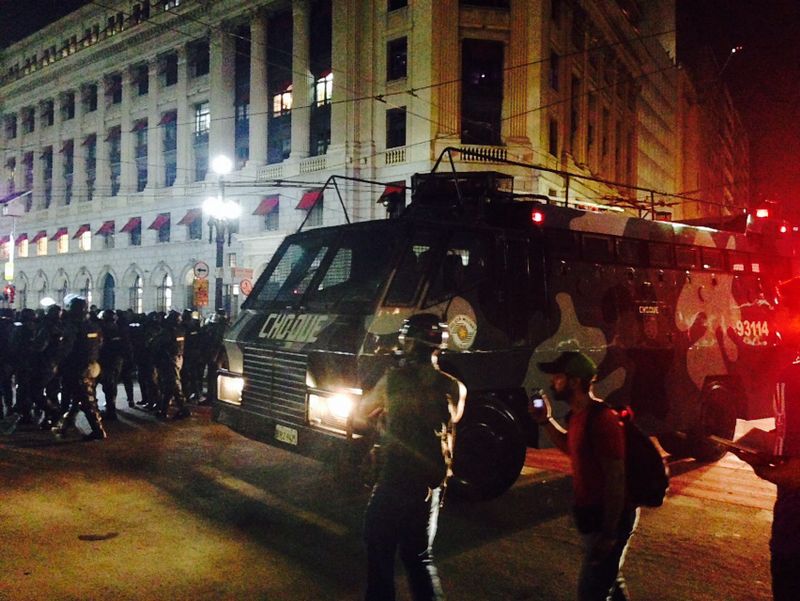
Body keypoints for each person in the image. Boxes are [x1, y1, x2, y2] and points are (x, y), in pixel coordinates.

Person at [357, 313, 466, 601]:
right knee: (419, 557)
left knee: (379, 550)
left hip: (394, 480)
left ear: (409, 343)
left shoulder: (393, 380)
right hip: (430, 486)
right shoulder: (454, 386)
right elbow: (452, 420)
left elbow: (361, 412)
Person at [530, 350, 637, 601]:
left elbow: (616, 477)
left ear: (575, 381)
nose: (552, 382)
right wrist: (545, 420)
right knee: (610, 581)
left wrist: (609, 532)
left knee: (591, 592)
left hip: (609, 517)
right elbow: (572, 447)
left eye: (558, 377)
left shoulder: (602, 420)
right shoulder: (578, 416)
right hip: (594, 516)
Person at [732, 276, 800, 601]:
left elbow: (795, 474)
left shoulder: (793, 376)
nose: (773, 313)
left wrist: (758, 465)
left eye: (780, 307)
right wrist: (771, 438)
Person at [52, 295, 107, 441]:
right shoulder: (93, 326)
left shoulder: (73, 327)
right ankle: (65, 425)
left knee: (85, 399)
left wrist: (56, 362)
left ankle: (98, 430)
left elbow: (66, 348)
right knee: (78, 398)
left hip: (75, 366)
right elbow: (100, 344)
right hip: (91, 365)